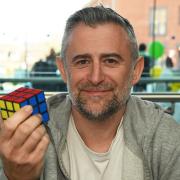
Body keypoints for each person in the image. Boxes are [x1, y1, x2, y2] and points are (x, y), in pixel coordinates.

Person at [0, 6, 180, 180]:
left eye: (110, 61)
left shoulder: (167, 137)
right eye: (82, 61)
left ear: (136, 70)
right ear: (63, 69)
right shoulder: (22, 135)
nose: (95, 78)